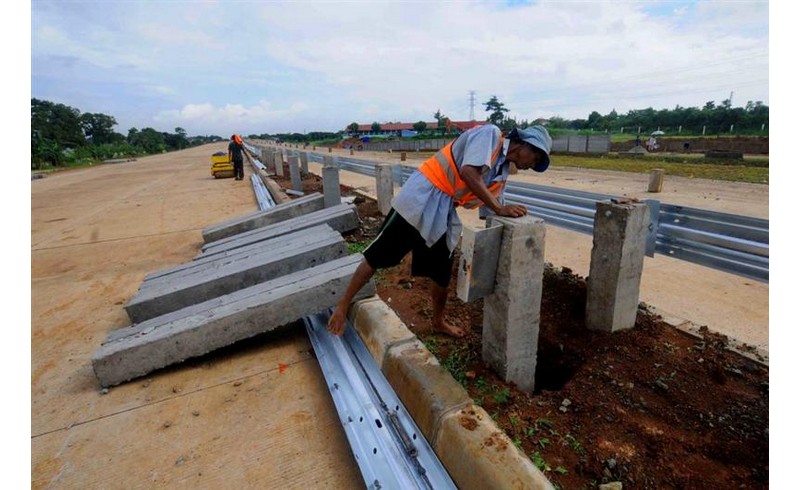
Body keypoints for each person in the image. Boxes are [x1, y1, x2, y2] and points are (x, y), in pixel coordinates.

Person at [326, 124, 552, 338]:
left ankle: (437, 321)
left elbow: (491, 212)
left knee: (442, 269)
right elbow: (469, 173)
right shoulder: (491, 135)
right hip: (421, 197)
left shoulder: (501, 172)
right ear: (525, 144)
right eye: (536, 158)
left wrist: (497, 234)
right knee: (379, 254)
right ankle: (342, 306)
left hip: (443, 210)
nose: (532, 165)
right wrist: (499, 207)